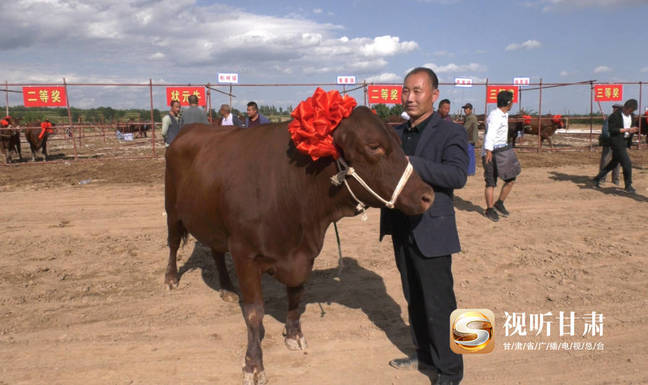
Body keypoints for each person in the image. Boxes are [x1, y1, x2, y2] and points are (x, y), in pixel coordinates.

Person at [380, 67, 468, 385]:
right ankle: (425, 355)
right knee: (413, 296)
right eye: (406, 91)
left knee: (440, 301)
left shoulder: (451, 132)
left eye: (417, 91)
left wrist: (412, 164)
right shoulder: (397, 133)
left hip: (432, 229)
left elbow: (458, 175)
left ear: (434, 95)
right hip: (402, 228)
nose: (410, 97)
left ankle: (450, 371)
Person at [482, 91, 517, 222]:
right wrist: (489, 152)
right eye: (511, 100)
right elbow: (490, 134)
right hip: (491, 153)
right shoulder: (496, 116)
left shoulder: (503, 114)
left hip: (502, 152)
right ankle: (489, 209)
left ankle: (499, 203)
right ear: (508, 102)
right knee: (491, 182)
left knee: (511, 179)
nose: (513, 102)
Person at [593, 99, 639, 193]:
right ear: (626, 107)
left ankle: (598, 178)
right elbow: (612, 130)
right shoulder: (615, 116)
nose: (630, 112)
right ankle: (628, 185)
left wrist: (633, 130)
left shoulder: (632, 116)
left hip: (625, 141)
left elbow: (631, 127)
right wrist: (626, 130)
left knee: (613, 163)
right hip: (616, 142)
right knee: (627, 163)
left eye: (632, 111)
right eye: (630, 110)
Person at [597, 104, 622, 185]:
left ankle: (616, 180)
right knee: (605, 161)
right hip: (609, 143)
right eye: (615, 109)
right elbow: (605, 132)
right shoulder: (609, 119)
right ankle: (602, 178)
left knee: (617, 162)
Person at [462, 103, 478, 176]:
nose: (465, 110)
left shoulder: (471, 117)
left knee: (469, 155)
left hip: (470, 139)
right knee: (470, 155)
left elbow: (465, 128)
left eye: (466, 108)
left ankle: (470, 171)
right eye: (464, 108)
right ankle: (470, 171)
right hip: (469, 138)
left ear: (470, 109)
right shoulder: (469, 117)